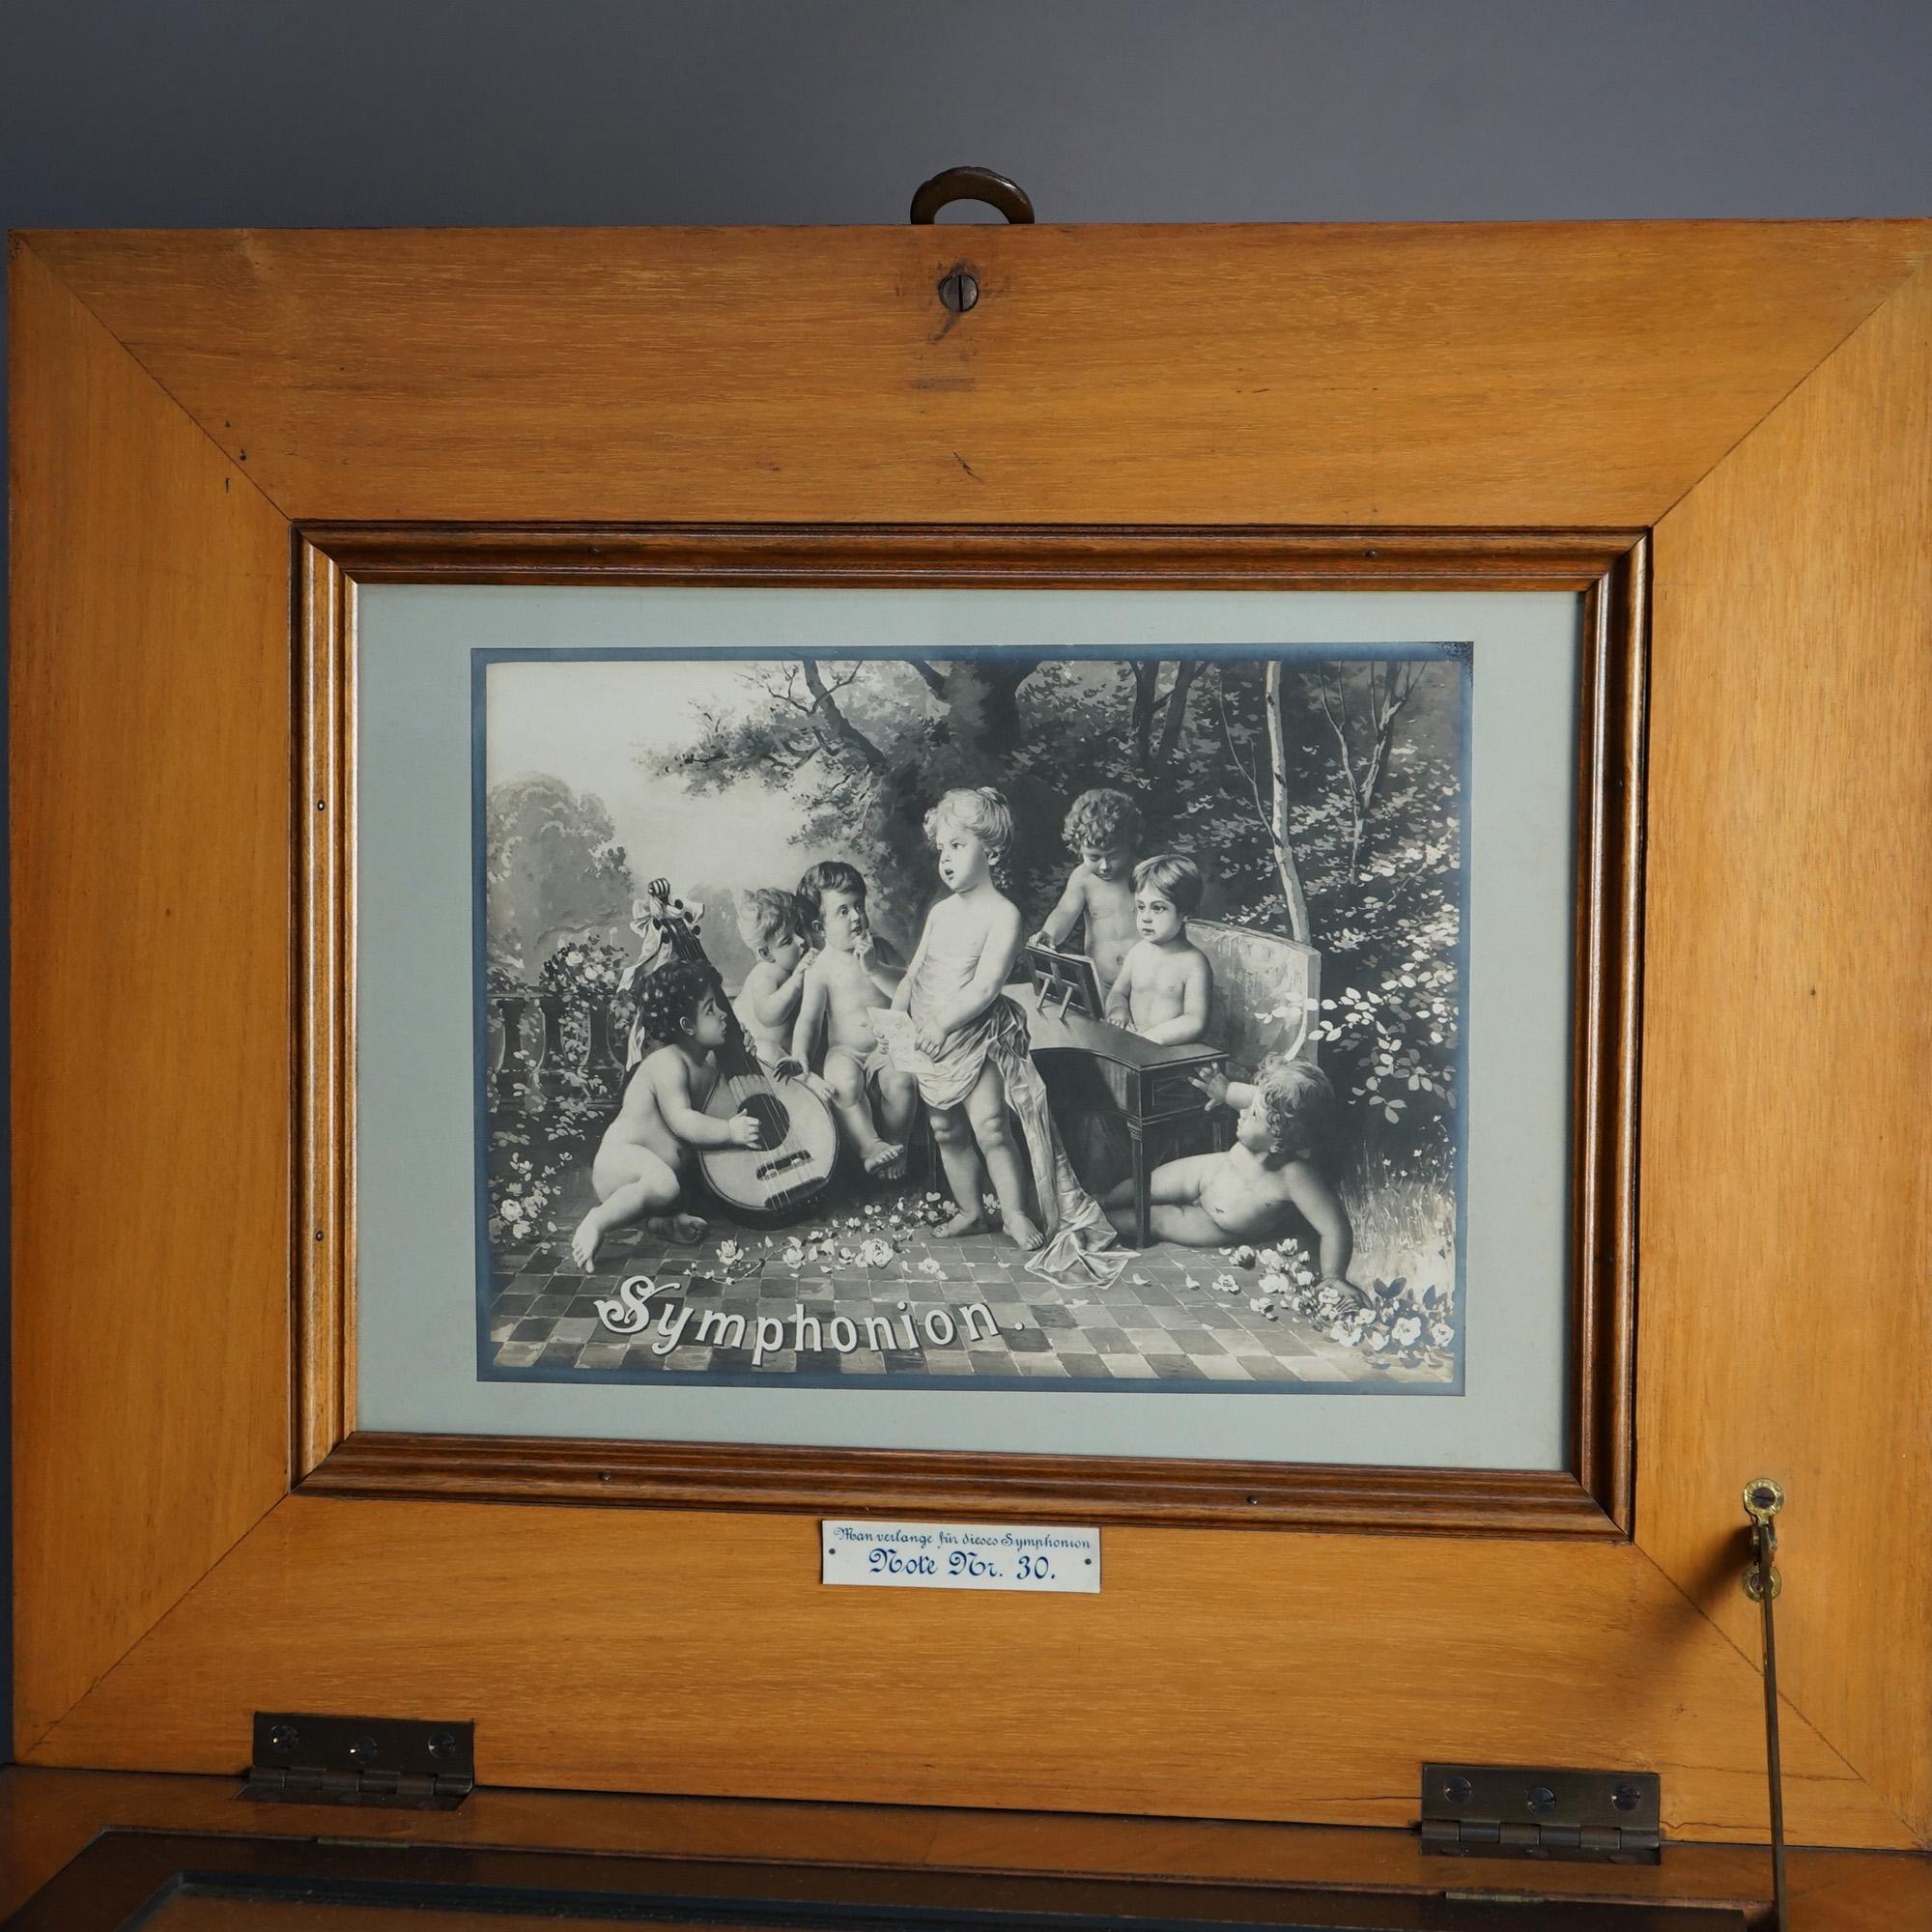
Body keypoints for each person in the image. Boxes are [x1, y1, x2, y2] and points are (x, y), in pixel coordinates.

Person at [889, 787, 1043, 1246]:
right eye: (942, 848)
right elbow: (913, 975)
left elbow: (985, 986)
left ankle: (1014, 1213)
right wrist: (897, 1019)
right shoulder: (940, 913)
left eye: (958, 845)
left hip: (976, 1037)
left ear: (991, 851)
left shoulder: (1003, 914)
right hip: (931, 1040)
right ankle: (972, 1210)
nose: (947, 858)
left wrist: (943, 1024)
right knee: (944, 1128)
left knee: (991, 1126)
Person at [568, 960, 762, 1270]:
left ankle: (659, 1221)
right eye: (711, 1010)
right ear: (687, 1026)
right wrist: (730, 1131)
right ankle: (597, 1220)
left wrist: (741, 1056)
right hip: (621, 1163)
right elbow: (683, 1121)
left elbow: (722, 1103)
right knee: (665, 1184)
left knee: (682, 1187)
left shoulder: (707, 1066)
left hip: (659, 1172)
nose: (724, 1013)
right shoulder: (667, 1063)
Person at [1104, 1057, 1354, 1287]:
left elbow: (1334, 1228)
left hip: (1218, 1223)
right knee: (1147, 1184)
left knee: (1158, 1220)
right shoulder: (1267, 1109)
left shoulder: (1296, 1176)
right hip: (1208, 1173)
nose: (1243, 1111)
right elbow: (1246, 1097)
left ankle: (1099, 1222)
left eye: (1253, 1113)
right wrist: (1223, 1090)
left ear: (1279, 1138)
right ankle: (1099, 1201)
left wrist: (1334, 1276)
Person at [790, 859, 917, 1179]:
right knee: (842, 1079)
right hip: (846, 1050)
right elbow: (808, 1020)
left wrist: (875, 966)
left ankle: (897, 1146)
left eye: (859, 906)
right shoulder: (821, 968)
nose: (857, 917)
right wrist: (800, 1058)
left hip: (889, 1043)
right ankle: (869, 1144)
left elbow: (911, 986)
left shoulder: (882, 950)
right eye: (843, 911)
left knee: (902, 1081)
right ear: (820, 928)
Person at [1028, 787, 1143, 1000]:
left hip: (1145, 984)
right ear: (1078, 848)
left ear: (1131, 844)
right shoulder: (1083, 878)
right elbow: (1065, 911)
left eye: (1114, 855)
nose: (1105, 866)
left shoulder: (1144, 876)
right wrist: (1050, 934)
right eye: (1094, 857)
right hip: (1101, 984)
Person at [1103, 852, 1214, 1044]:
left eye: (1158, 908)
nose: (1145, 917)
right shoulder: (1138, 952)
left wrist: (1150, 1038)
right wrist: (1118, 1011)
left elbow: (1195, 1020)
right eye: (1140, 906)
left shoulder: (1193, 963)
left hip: (1168, 1052)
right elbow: (1118, 992)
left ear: (1185, 912)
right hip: (1133, 1045)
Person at [730, 887, 816, 1067]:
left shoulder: (797, 965)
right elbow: (768, 1016)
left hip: (788, 1052)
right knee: (766, 1050)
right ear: (766, 953)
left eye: (799, 930)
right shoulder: (765, 973)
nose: (801, 940)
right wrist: (796, 981)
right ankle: (807, 1082)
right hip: (751, 1054)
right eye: (787, 941)